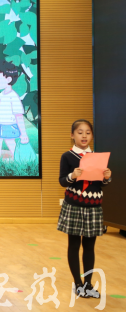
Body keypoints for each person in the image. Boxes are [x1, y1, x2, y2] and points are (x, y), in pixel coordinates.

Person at [57, 119, 111, 298]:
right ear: (72, 135)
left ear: (92, 136)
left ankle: (88, 284)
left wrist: (107, 177)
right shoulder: (67, 156)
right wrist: (73, 175)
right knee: (74, 245)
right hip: (74, 206)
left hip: (94, 207)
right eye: (80, 132)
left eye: (88, 132)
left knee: (89, 247)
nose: (84, 136)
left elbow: (100, 184)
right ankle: (78, 284)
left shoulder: (98, 158)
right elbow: (62, 181)